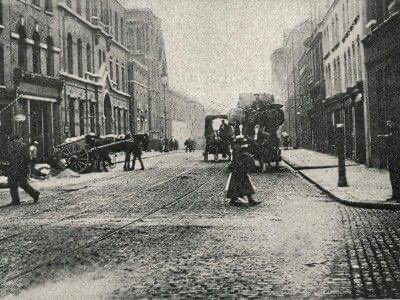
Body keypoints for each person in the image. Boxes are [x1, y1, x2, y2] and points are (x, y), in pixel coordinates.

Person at [225, 136, 260, 206]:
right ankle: (249, 200)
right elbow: (238, 159)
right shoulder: (237, 148)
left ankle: (246, 200)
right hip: (239, 169)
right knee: (243, 184)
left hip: (238, 169)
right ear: (240, 141)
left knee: (237, 184)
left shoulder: (237, 147)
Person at [7, 135, 40, 205]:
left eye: (13, 141)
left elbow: (28, 158)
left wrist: (24, 167)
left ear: (18, 140)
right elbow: (11, 158)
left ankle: (34, 194)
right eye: (12, 141)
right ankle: (15, 200)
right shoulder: (12, 148)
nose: (12, 143)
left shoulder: (23, 147)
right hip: (14, 168)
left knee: (23, 183)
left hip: (22, 168)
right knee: (12, 183)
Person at [379, 120, 400, 202]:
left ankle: (398, 196)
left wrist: (383, 137)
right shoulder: (391, 132)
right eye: (387, 123)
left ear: (394, 123)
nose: (388, 124)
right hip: (391, 157)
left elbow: (391, 138)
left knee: (397, 177)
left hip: (397, 158)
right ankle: (395, 195)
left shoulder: (396, 132)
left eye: (390, 122)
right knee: (392, 177)